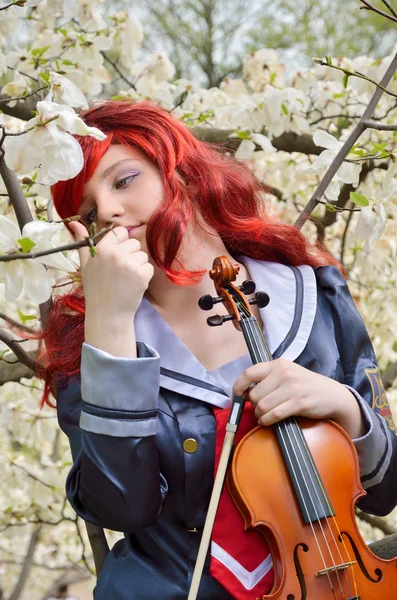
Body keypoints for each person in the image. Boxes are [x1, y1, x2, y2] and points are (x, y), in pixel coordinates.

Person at [38, 100, 397, 599]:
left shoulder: (315, 293)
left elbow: (387, 488)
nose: (111, 213)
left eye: (123, 181)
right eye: (89, 213)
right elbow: (122, 508)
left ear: (179, 170)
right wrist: (111, 320)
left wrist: (346, 410)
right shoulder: (88, 342)